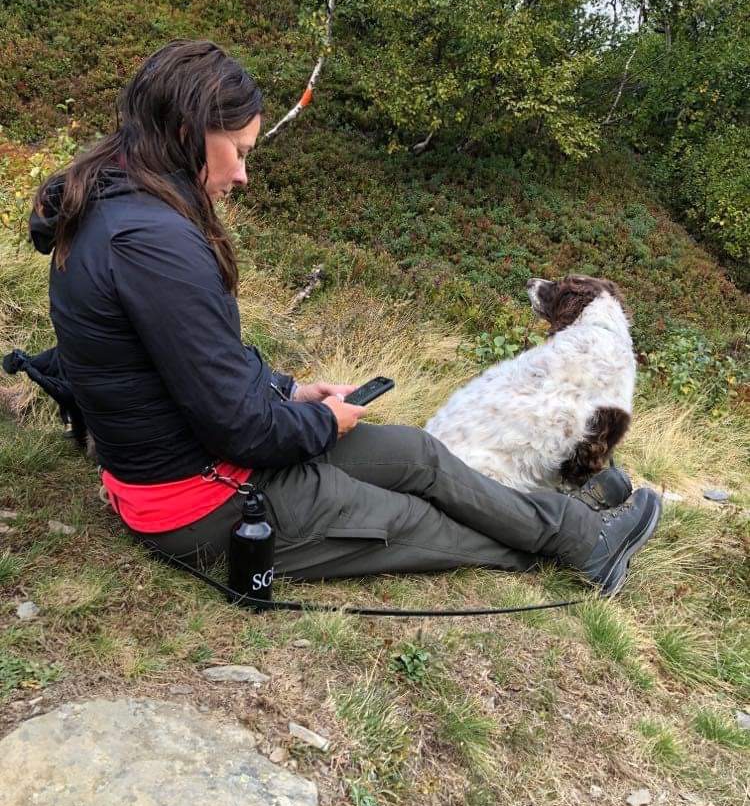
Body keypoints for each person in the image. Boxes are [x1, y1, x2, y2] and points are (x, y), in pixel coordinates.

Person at [29, 40, 662, 598]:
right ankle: (584, 542)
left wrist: (289, 392)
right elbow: (241, 430)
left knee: (418, 454)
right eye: (239, 151)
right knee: (418, 523)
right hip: (204, 500)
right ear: (190, 130)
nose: (242, 175)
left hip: (207, 459)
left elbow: (189, 363)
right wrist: (323, 422)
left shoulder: (118, 202)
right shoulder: (153, 245)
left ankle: (569, 517)